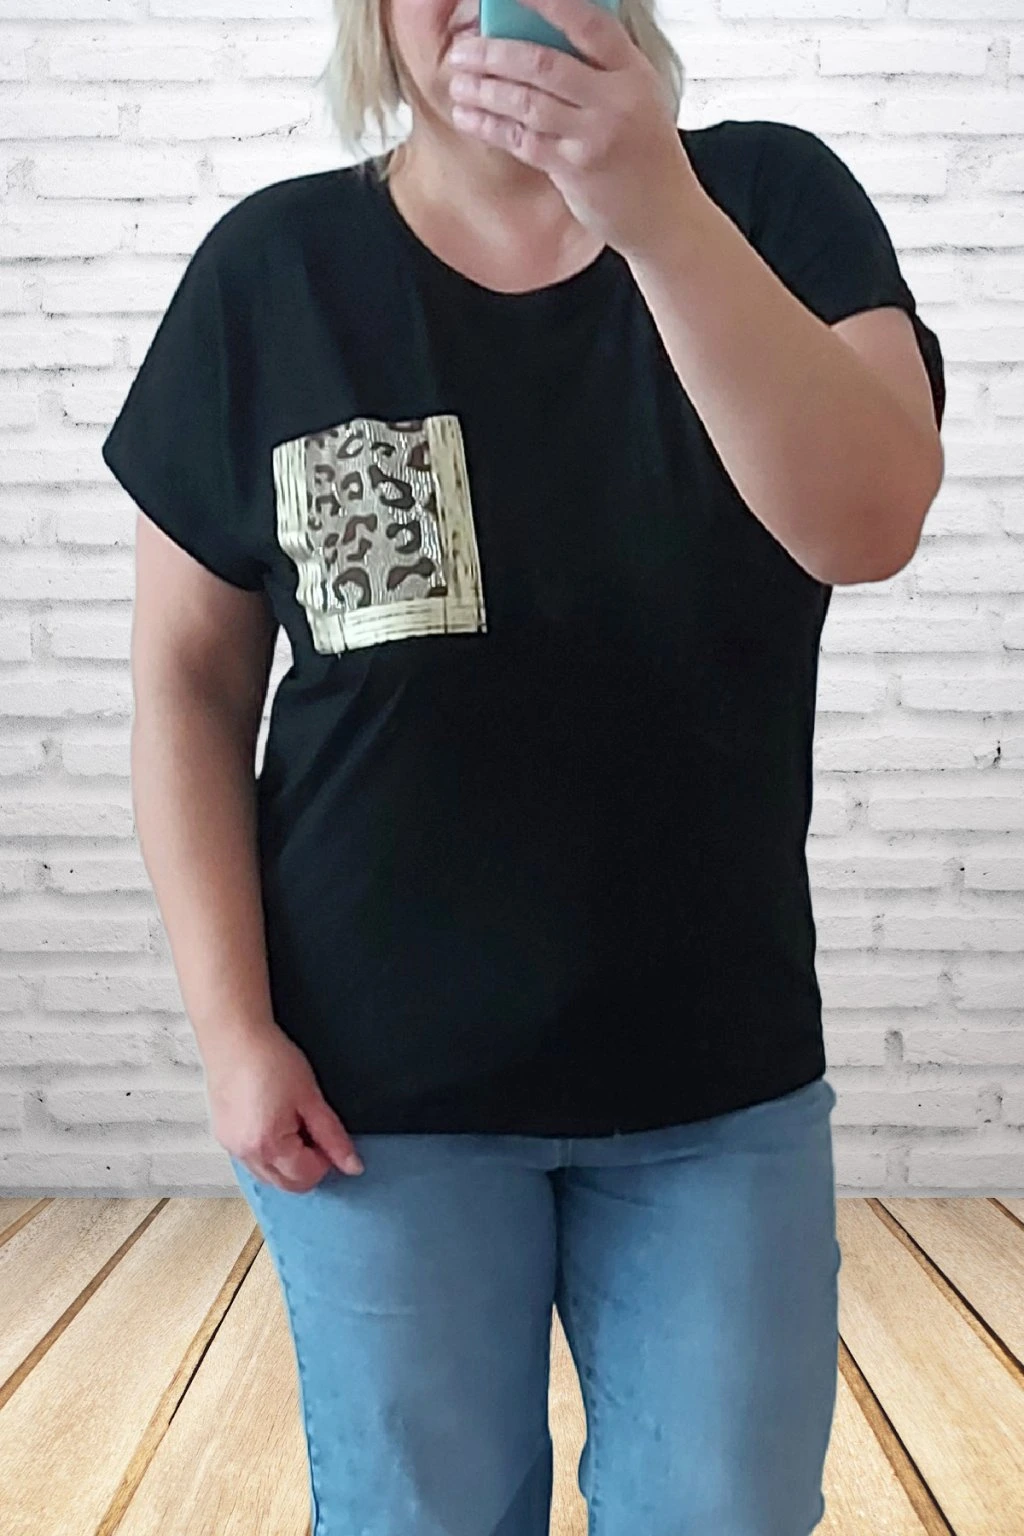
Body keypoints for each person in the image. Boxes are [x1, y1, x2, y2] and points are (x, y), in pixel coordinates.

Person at [101, 0, 946, 1530]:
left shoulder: (771, 202)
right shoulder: (275, 270)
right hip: (371, 1096)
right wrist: (231, 1031)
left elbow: (869, 520)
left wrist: (655, 215)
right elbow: (186, 683)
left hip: (716, 1075)